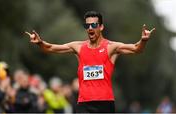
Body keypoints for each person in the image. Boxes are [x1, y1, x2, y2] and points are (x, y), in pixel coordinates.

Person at [25, 11, 155, 113]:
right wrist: (40, 43)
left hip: (105, 102)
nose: (90, 28)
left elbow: (136, 49)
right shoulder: (78, 47)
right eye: (87, 25)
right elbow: (50, 48)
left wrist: (143, 40)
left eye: (94, 25)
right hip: (84, 104)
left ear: (101, 27)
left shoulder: (111, 47)